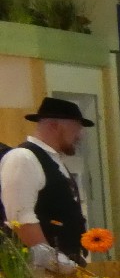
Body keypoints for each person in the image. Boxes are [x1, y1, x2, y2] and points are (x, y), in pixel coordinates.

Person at [0, 95, 92, 269]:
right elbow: (21, 219)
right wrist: (56, 262)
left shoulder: (53, 159)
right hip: (40, 272)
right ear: (54, 125)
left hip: (65, 266)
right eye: (76, 127)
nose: (80, 135)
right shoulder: (23, 158)